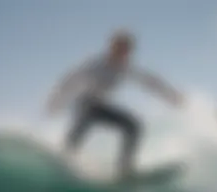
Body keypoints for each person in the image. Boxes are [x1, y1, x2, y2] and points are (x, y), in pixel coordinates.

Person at [45, 30, 184, 179]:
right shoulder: (96, 64)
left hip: (100, 106)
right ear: (112, 47)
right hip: (85, 104)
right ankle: (62, 161)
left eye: (127, 50)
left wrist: (171, 95)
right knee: (80, 129)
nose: (124, 53)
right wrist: (55, 101)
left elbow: (150, 81)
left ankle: (124, 170)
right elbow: (71, 79)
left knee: (133, 126)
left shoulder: (125, 68)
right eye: (120, 48)